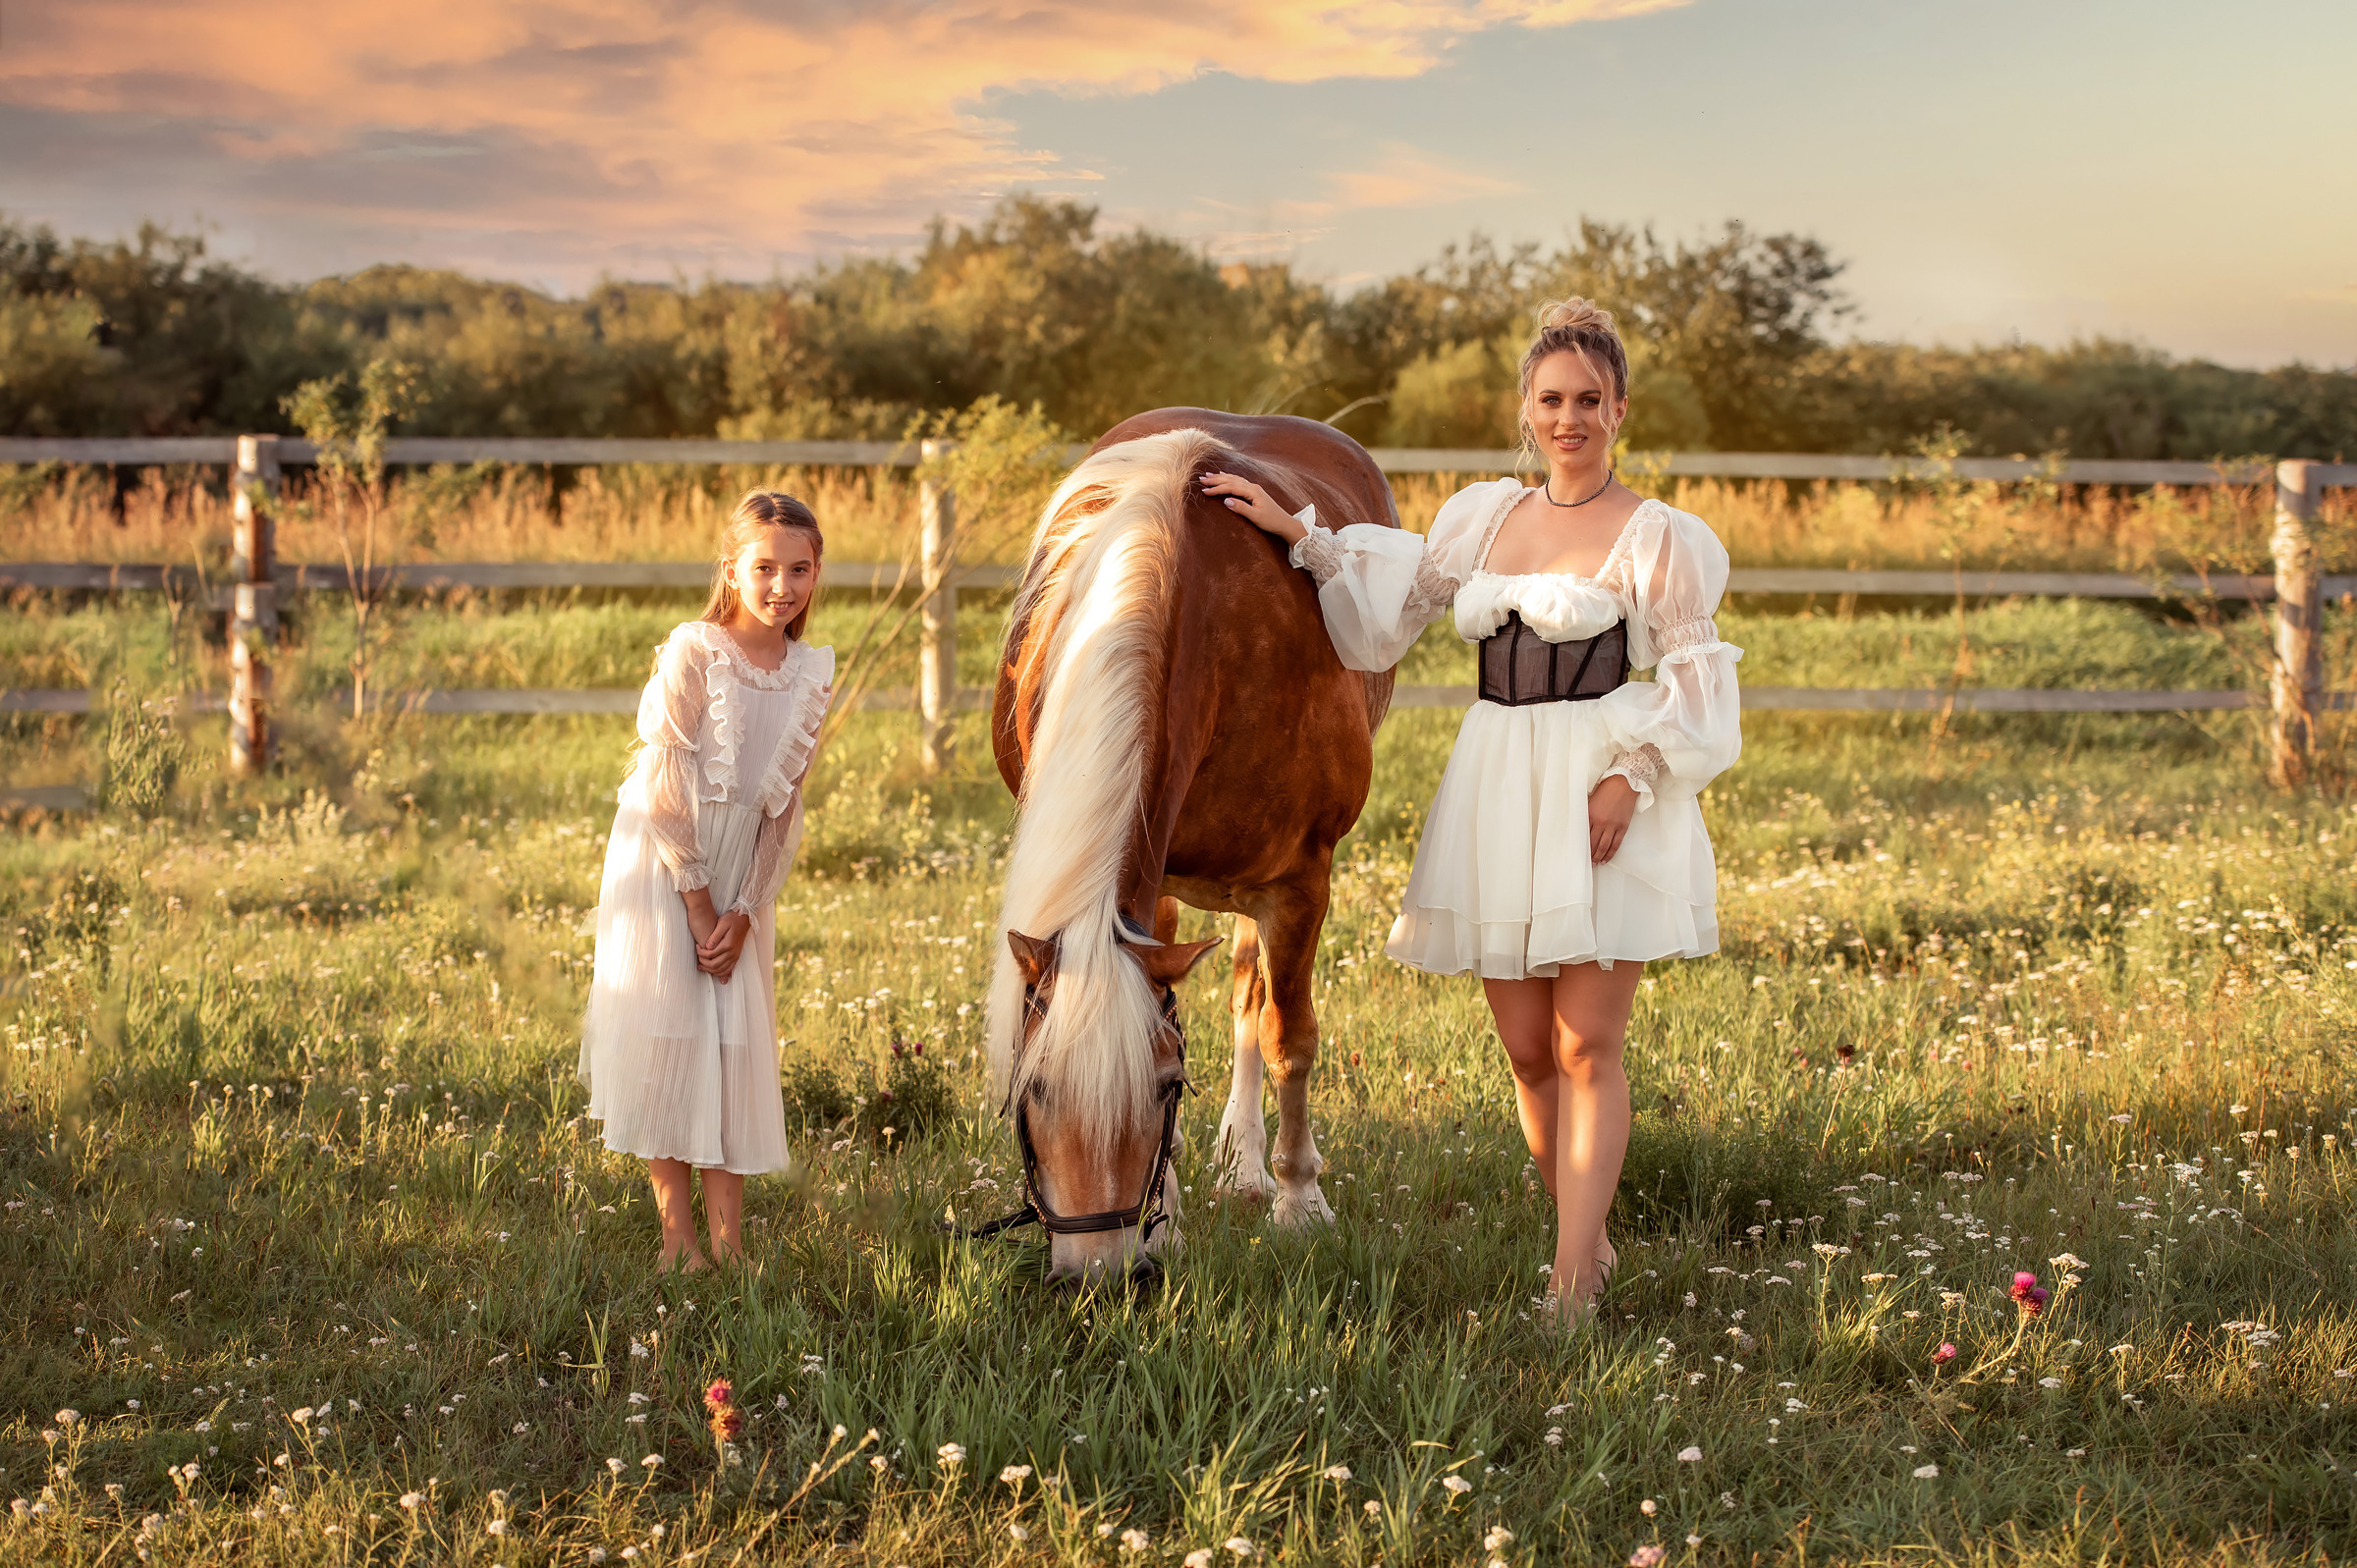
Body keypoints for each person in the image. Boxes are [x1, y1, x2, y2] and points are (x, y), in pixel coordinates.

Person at [1202, 299, 1741, 1323]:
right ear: (1527, 411)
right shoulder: (1484, 517)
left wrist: (1632, 777)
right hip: (1497, 779)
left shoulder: (1659, 536)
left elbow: (1699, 682)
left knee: (1590, 1045)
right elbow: (1390, 606)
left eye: (1590, 399)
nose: (1570, 418)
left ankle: (1572, 1285)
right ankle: (1588, 1231)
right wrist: (1299, 536)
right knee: (1530, 1051)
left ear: (1621, 409)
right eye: (1552, 400)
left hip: (1599, 783)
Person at [579, 491, 836, 1271]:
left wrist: (748, 907)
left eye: (799, 569)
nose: (781, 586)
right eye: (764, 568)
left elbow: (785, 805)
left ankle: (729, 1243)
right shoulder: (696, 649)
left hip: (740, 872)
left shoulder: (810, 671)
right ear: (732, 569)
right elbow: (663, 782)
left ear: (817, 574)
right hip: (670, 860)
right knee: (672, 1039)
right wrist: (697, 903)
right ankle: (677, 1243)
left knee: (732, 1044)